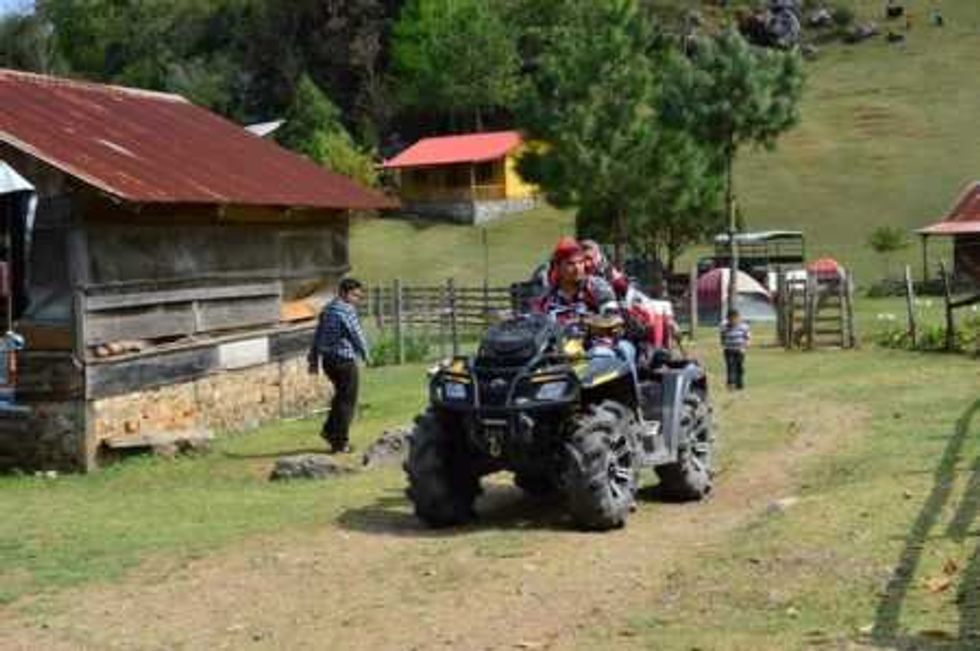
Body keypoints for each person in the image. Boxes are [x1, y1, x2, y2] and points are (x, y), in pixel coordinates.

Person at [308, 277, 370, 454]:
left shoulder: (327, 310)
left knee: (340, 398)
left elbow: (317, 336)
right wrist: (367, 355)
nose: (356, 300)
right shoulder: (346, 310)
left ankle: (329, 431)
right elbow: (356, 334)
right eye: (354, 296)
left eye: (359, 296)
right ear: (343, 293)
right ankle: (340, 442)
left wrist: (313, 360)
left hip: (328, 361)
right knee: (347, 402)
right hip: (344, 361)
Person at [719, 308, 750, 390]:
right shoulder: (724, 326)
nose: (733, 320)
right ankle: (730, 383)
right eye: (730, 319)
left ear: (738, 318)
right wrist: (723, 344)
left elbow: (747, 338)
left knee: (739, 367)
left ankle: (739, 383)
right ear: (728, 319)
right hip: (729, 350)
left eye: (735, 318)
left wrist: (745, 346)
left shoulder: (744, 326)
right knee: (730, 366)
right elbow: (722, 336)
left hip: (740, 350)